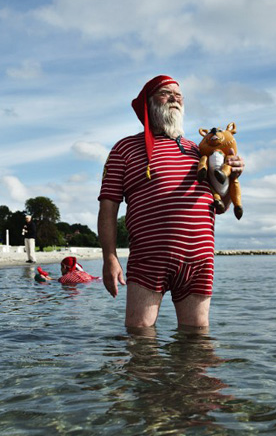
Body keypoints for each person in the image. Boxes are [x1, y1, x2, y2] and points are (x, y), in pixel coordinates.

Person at [97, 75, 244, 330]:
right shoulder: (125, 149)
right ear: (148, 103)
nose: (175, 98)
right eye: (166, 93)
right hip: (149, 257)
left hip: (199, 258)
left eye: (179, 95)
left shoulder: (199, 152)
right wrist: (109, 257)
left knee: (197, 340)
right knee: (140, 336)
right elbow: (108, 207)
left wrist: (233, 180)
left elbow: (222, 207)